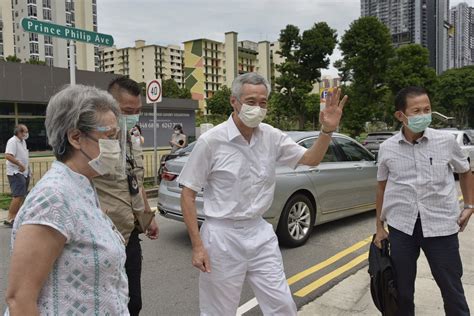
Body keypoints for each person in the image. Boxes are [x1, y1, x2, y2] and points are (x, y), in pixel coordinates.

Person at [179, 72, 347, 315]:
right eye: (250, 102)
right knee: (219, 310)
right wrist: (197, 246)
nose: (257, 108)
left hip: (259, 231)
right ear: (234, 102)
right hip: (222, 236)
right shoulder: (211, 142)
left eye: (263, 103)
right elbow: (188, 194)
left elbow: (310, 159)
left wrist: (326, 131)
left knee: (282, 305)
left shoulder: (271, 136)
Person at [5, 85, 129, 315]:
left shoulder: (82, 186)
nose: (116, 146)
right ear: (75, 137)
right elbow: (19, 300)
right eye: (109, 137)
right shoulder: (53, 198)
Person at [374, 86, 473, 316]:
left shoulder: (446, 141)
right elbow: (382, 188)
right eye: (416, 111)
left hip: (441, 227)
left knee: (452, 289)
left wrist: (470, 205)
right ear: (401, 115)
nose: (423, 115)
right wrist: (379, 227)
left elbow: (466, 170)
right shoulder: (387, 148)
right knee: (401, 292)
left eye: (427, 109)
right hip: (402, 229)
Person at [93, 76, 159, 316]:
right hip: (103, 238)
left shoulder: (132, 138)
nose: (133, 116)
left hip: (130, 235)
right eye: (127, 111)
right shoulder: (94, 141)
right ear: (109, 106)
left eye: (137, 110)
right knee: (108, 306)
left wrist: (147, 217)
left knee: (134, 303)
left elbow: (136, 181)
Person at [3, 124, 30, 227]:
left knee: (22, 195)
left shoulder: (23, 142)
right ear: (19, 132)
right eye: (25, 131)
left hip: (24, 172)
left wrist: (27, 168)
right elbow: (8, 155)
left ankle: (17, 217)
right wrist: (19, 164)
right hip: (15, 172)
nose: (27, 134)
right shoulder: (12, 141)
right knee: (18, 195)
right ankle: (10, 218)